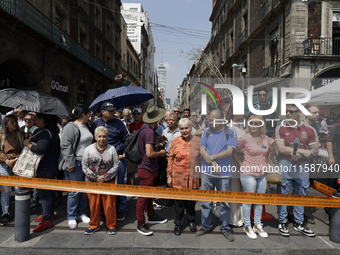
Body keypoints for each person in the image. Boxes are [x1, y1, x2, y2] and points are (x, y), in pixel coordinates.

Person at [275, 104, 319, 237]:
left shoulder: (310, 129)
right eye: (286, 111)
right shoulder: (280, 127)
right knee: (284, 191)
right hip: (285, 162)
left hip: (302, 164)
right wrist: (303, 152)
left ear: (299, 112)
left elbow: (315, 150)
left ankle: (299, 222)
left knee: (301, 192)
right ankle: (282, 220)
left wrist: (302, 155)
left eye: (291, 112)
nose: (288, 114)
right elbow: (281, 149)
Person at [196, 109, 237, 242]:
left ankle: (225, 228)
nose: (211, 122)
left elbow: (229, 151)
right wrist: (212, 161)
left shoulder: (230, 132)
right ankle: (205, 226)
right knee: (206, 201)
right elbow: (201, 148)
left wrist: (211, 157)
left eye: (213, 120)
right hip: (207, 172)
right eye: (210, 119)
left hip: (223, 173)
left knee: (224, 202)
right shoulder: (207, 131)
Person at [236, 115, 275, 239]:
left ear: (261, 125)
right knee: (248, 201)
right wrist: (240, 164)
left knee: (259, 201)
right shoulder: (245, 138)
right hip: (248, 174)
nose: (254, 125)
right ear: (248, 124)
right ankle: (247, 225)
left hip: (262, 173)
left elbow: (270, 155)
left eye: (257, 123)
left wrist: (272, 146)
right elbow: (234, 150)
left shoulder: (266, 138)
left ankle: (257, 224)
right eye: (251, 123)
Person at [91, 102, 129, 221]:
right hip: (101, 162)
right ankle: (104, 210)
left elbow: (127, 139)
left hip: (118, 159)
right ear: (103, 112)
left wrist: (124, 153)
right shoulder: (95, 124)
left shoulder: (119, 123)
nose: (113, 112)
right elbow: (92, 141)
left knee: (120, 185)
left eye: (113, 110)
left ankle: (121, 210)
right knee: (103, 186)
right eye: (110, 110)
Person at [24, 114, 60, 232]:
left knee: (44, 193)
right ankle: (48, 214)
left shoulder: (45, 132)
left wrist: (28, 144)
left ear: (42, 119)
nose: (34, 122)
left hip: (44, 167)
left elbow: (41, 148)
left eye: (36, 119)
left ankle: (47, 219)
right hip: (48, 166)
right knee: (48, 192)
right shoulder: (48, 130)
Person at [59, 105, 93, 229]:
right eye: (88, 113)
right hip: (76, 163)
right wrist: (70, 164)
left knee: (84, 191)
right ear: (83, 114)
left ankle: (82, 213)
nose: (90, 115)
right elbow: (65, 146)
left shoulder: (87, 126)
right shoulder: (70, 127)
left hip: (87, 163)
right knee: (74, 192)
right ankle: (71, 216)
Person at [136, 105, 168, 236]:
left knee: (148, 195)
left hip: (147, 167)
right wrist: (161, 153)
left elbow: (146, 147)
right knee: (143, 197)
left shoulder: (144, 129)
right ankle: (140, 223)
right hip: (148, 168)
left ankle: (152, 215)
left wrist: (158, 141)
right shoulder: (149, 131)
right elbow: (149, 153)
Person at [82, 126, 119, 235]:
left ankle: (112, 225)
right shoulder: (88, 149)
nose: (102, 139)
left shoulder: (112, 149)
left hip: (109, 181)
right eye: (99, 136)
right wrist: (95, 177)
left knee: (109, 205)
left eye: (104, 136)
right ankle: (94, 225)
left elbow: (116, 165)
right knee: (94, 205)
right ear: (95, 137)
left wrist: (105, 177)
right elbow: (84, 166)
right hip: (92, 182)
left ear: (107, 137)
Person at [167, 118, 201, 236]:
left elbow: (202, 158)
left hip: (193, 176)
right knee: (179, 202)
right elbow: (170, 158)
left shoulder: (197, 140)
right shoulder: (175, 141)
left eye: (186, 128)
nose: (184, 131)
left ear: (191, 128)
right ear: (179, 129)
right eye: (182, 128)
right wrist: (169, 175)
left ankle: (191, 221)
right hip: (178, 176)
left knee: (191, 201)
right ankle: (178, 223)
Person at [0, 115, 25, 225]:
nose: (15, 124)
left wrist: (15, 159)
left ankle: (21, 211)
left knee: (18, 188)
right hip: (3, 164)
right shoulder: (1, 135)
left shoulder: (21, 135)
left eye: (15, 122)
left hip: (17, 163)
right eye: (12, 122)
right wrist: (6, 160)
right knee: (6, 190)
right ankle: (5, 213)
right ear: (6, 124)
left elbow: (24, 150)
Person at [161, 113, 181, 208]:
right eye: (169, 120)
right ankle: (171, 199)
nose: (171, 122)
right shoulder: (165, 132)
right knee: (169, 179)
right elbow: (163, 144)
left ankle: (179, 199)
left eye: (173, 120)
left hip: (179, 159)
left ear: (176, 121)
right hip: (168, 158)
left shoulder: (180, 131)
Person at [127, 107, 144, 186]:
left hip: (142, 151)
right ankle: (131, 191)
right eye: (134, 113)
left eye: (138, 113)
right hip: (132, 152)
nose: (136, 115)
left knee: (143, 172)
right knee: (131, 172)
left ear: (142, 114)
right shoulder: (129, 126)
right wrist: (127, 130)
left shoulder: (145, 125)